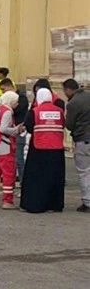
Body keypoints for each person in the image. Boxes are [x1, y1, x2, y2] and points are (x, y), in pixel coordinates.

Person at [20, 89, 66, 213]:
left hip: (39, 148)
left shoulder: (35, 111)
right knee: (54, 177)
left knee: (37, 178)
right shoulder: (59, 111)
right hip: (57, 149)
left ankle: (35, 204)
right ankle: (55, 205)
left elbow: (29, 127)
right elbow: (62, 125)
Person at [0, 78, 29, 183]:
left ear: (9, 87)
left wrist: (5, 108)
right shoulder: (7, 105)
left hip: (18, 133)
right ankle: (9, 186)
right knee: (9, 163)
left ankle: (23, 185)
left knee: (19, 160)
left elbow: (16, 110)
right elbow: (0, 115)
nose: (2, 93)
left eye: (3, 90)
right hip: (8, 136)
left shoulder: (21, 99)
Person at [63, 79, 90, 213]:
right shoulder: (88, 96)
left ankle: (87, 202)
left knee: (84, 172)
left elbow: (69, 124)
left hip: (83, 140)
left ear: (69, 89)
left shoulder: (73, 103)